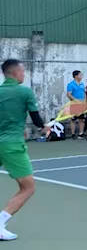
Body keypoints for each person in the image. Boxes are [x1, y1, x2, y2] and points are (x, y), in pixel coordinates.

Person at [0, 59, 51, 240]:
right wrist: (44, 127)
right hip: (12, 145)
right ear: (15, 73)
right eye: (22, 71)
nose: (24, 74)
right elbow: (35, 118)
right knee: (28, 188)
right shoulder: (25, 92)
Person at [65, 70, 86, 139]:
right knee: (73, 119)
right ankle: (73, 134)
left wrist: (84, 101)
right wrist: (75, 100)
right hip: (74, 104)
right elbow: (69, 94)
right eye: (80, 75)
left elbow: (84, 93)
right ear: (76, 76)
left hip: (81, 104)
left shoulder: (82, 84)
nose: (81, 76)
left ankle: (81, 133)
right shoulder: (71, 84)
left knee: (81, 119)